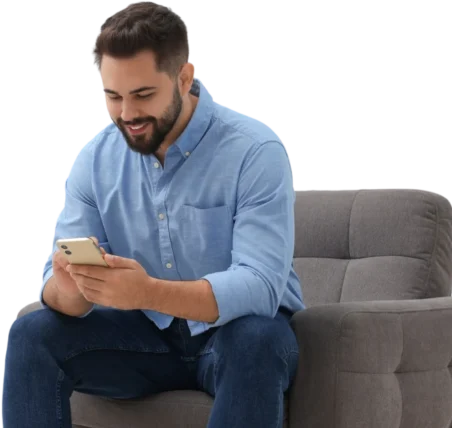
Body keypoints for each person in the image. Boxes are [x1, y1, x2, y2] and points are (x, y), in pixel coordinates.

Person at [1, 1, 305, 427]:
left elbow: (259, 287)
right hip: (146, 340)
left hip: (238, 338)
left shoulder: (255, 152)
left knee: (256, 337)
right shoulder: (94, 159)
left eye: (143, 95)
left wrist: (145, 292)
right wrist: (72, 288)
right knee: (30, 335)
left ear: (185, 77)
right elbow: (57, 288)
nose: (127, 115)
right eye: (113, 96)